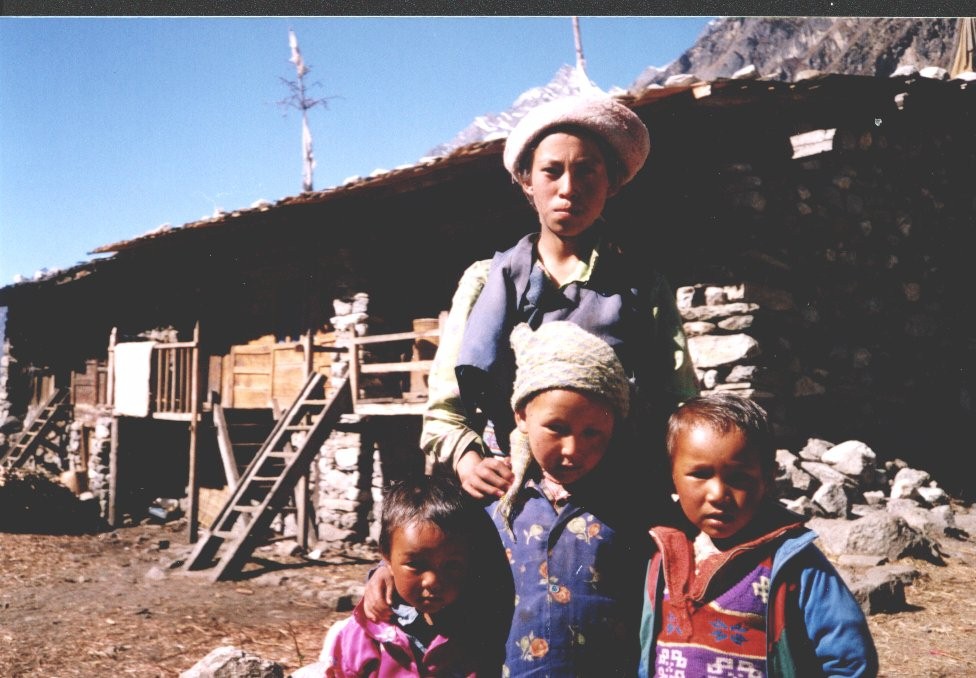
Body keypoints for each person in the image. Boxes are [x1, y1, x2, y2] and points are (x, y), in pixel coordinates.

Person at [421, 93, 699, 501]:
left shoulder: (643, 288)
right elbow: (445, 410)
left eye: (587, 171)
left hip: (617, 496)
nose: (569, 189)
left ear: (611, 182)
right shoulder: (486, 281)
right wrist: (470, 462)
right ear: (527, 182)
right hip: (506, 496)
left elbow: (679, 405)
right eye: (551, 171)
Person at [369, 321, 658, 676]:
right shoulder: (495, 493)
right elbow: (430, 545)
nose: (573, 449)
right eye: (557, 428)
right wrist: (383, 572)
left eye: (593, 433)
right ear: (522, 415)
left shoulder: (628, 503)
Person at [639, 394, 879, 678]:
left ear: (767, 479)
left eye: (739, 478)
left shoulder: (793, 565)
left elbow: (850, 662)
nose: (718, 495)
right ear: (672, 477)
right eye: (700, 474)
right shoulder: (662, 553)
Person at [324, 473, 510, 677]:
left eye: (451, 565)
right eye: (415, 564)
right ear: (386, 557)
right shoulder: (366, 633)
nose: (433, 581)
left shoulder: (475, 633)